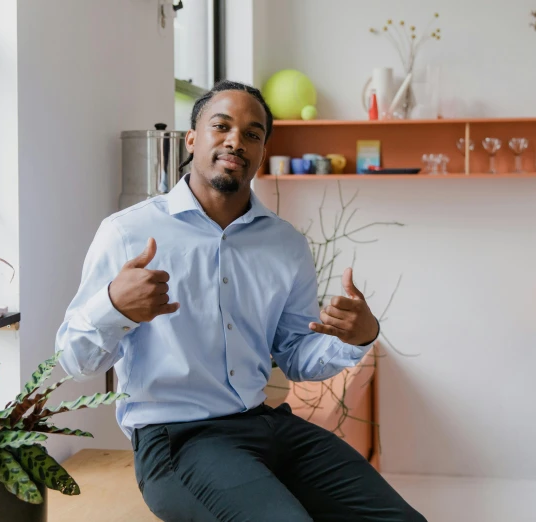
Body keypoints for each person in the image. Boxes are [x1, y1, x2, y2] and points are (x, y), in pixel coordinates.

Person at [55, 80, 427, 522]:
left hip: (267, 424)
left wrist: (358, 337)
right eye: (221, 126)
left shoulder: (285, 244)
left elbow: (296, 357)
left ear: (262, 151)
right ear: (192, 139)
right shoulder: (127, 232)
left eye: (252, 133)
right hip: (178, 440)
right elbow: (74, 361)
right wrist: (115, 306)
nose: (236, 140)